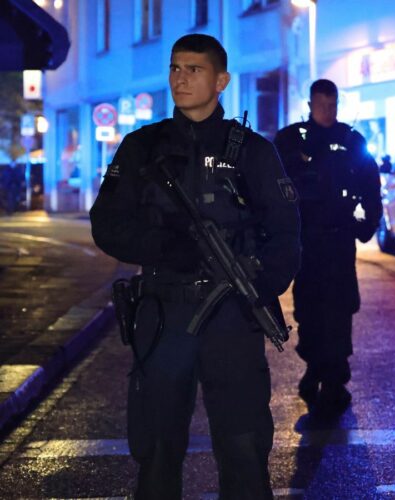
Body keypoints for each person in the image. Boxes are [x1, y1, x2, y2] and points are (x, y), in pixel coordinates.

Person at [89, 34, 300, 498]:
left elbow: (285, 232)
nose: (180, 79)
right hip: (165, 312)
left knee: (244, 446)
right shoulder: (143, 147)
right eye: (175, 69)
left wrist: (257, 286)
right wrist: (164, 247)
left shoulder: (252, 151)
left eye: (194, 70)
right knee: (158, 449)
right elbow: (106, 224)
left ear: (221, 80)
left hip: (232, 317)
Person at [273, 79, 382, 419]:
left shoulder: (351, 141)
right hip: (306, 242)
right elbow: (272, 187)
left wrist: (367, 225)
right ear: (311, 104)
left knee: (339, 310)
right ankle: (315, 366)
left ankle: (334, 379)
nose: (327, 111)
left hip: (337, 240)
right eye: (322, 105)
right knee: (308, 310)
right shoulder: (291, 140)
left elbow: (371, 186)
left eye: (332, 106)